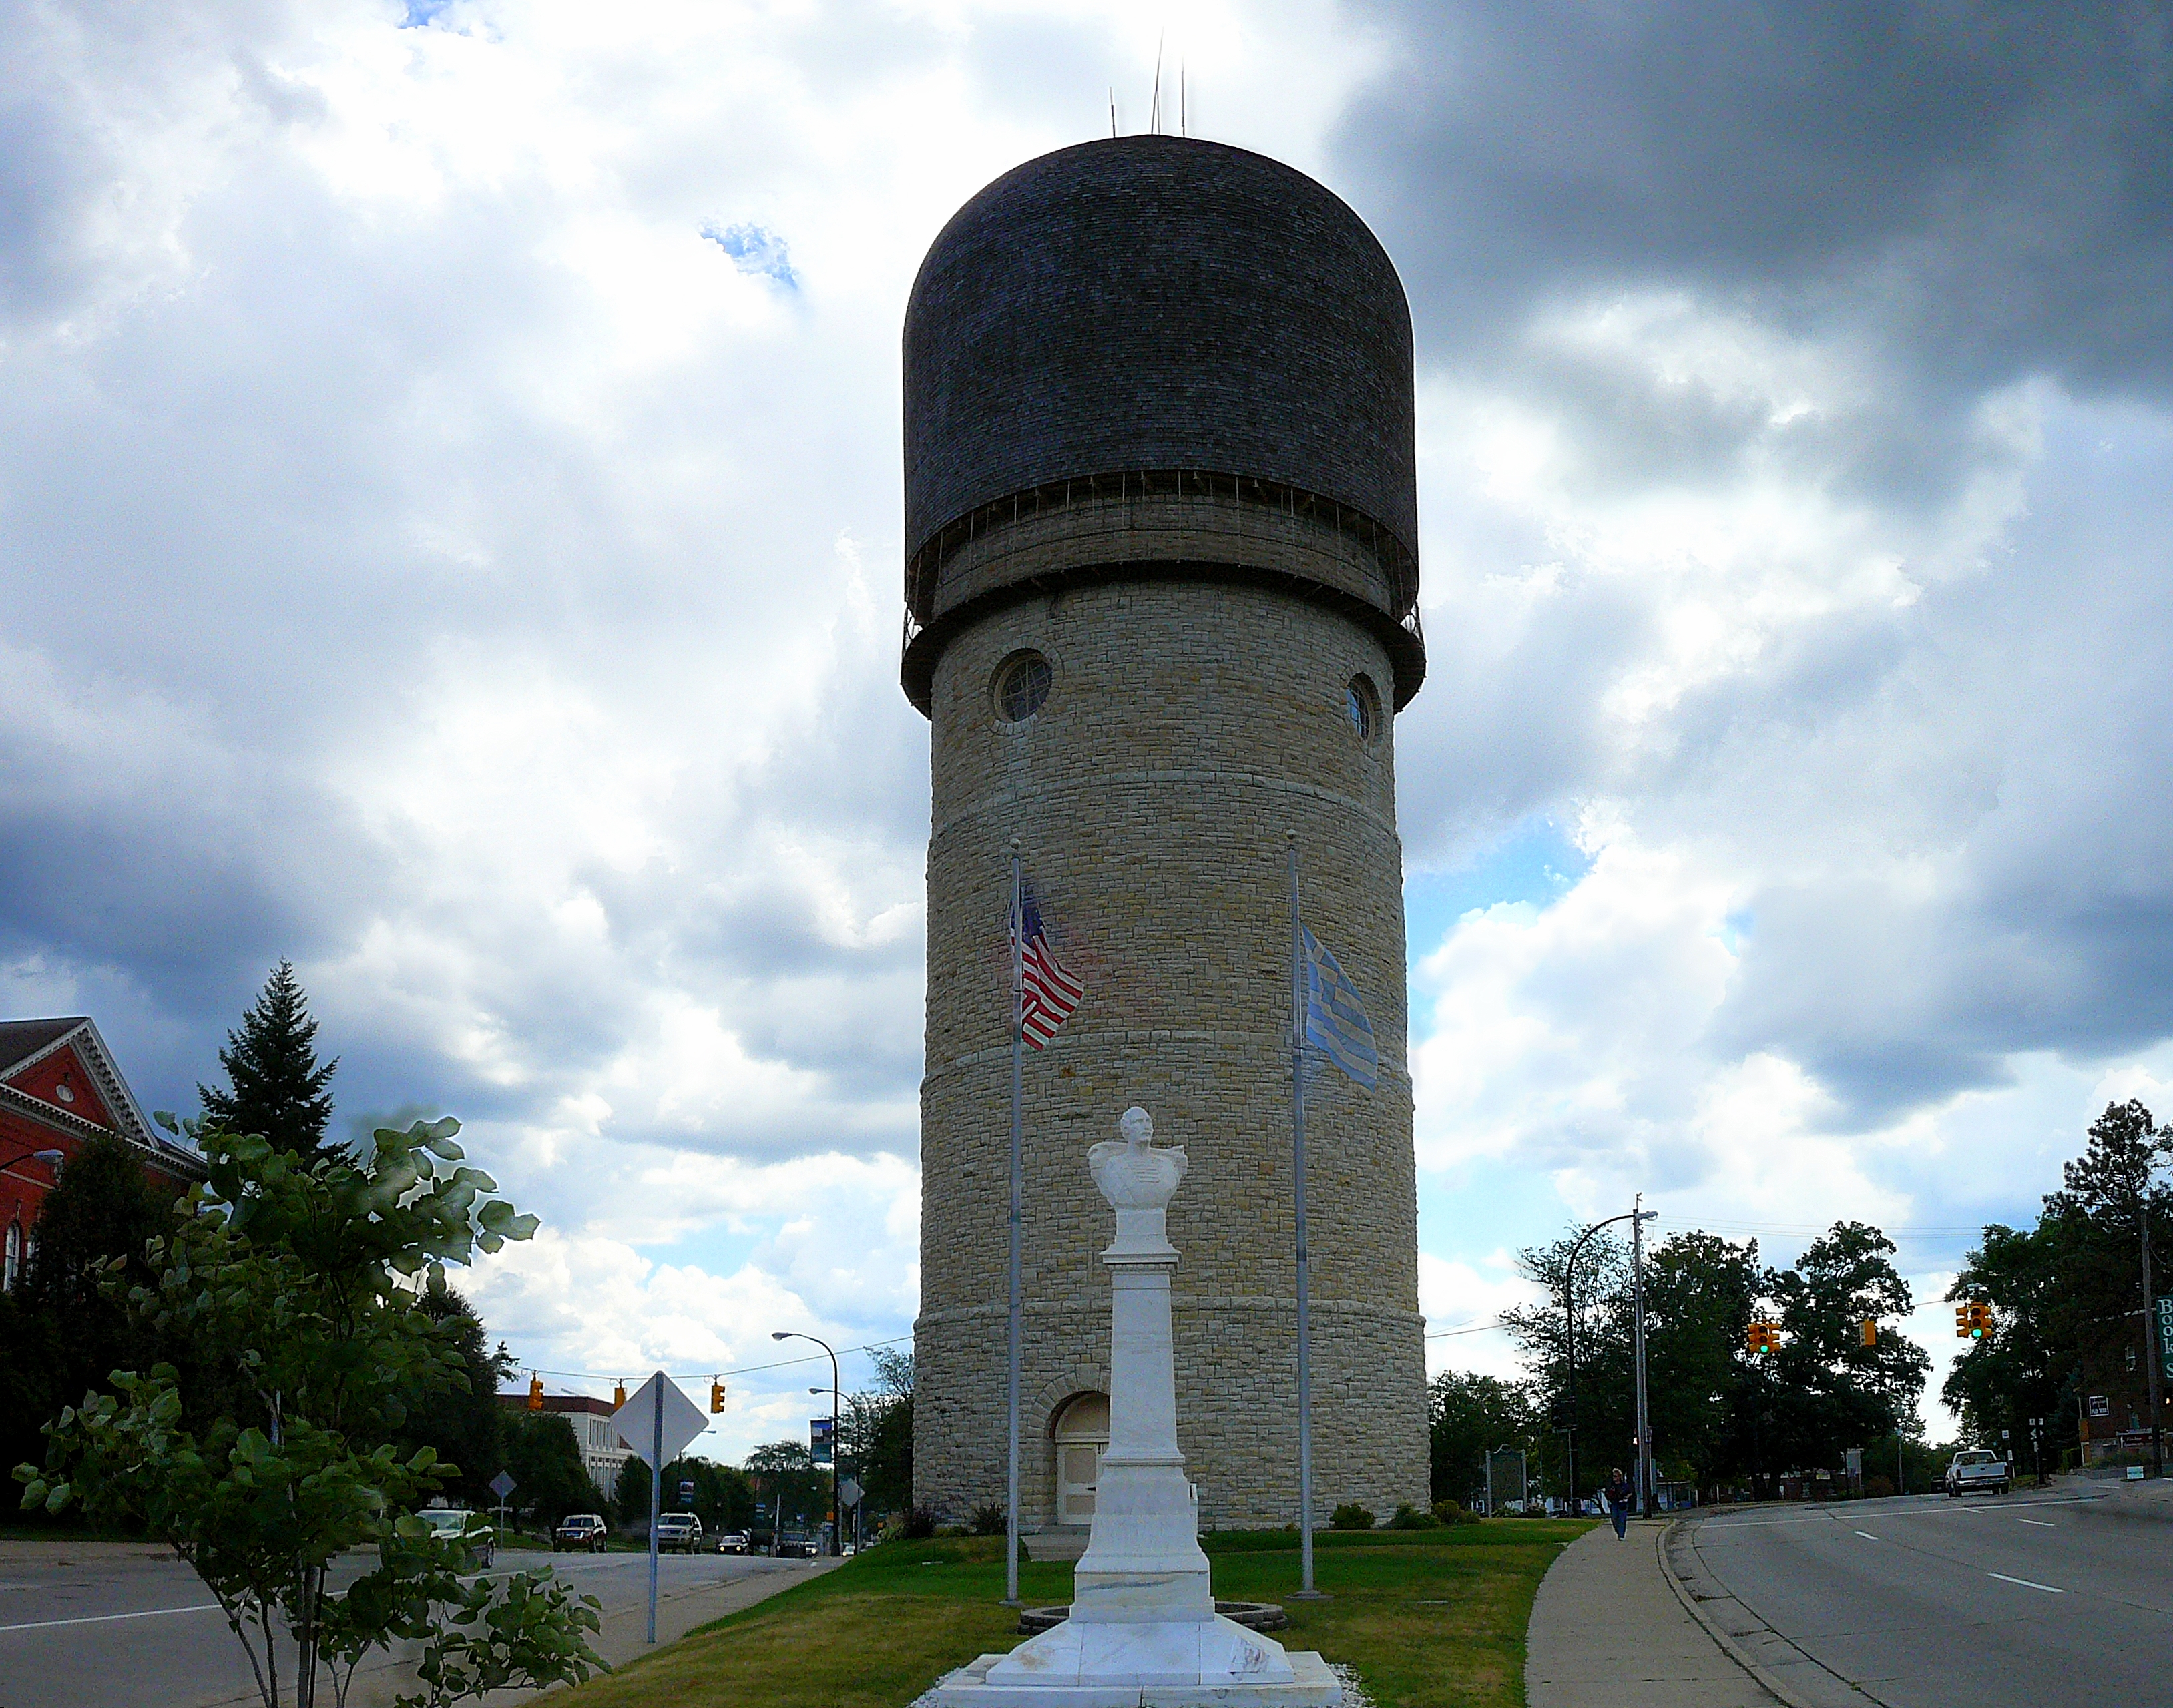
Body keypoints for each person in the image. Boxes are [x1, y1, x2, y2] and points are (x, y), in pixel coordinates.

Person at [1605, 1468, 1632, 1539]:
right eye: (1613, 1476)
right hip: (1614, 1504)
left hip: (1622, 1504)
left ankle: (1621, 1535)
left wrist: (1626, 1498)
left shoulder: (1624, 1485)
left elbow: (1630, 1493)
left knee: (1622, 1519)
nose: (1614, 1478)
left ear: (1620, 1477)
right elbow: (1607, 1493)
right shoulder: (1611, 1486)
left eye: (1616, 1476)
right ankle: (1618, 1531)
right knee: (1614, 1519)